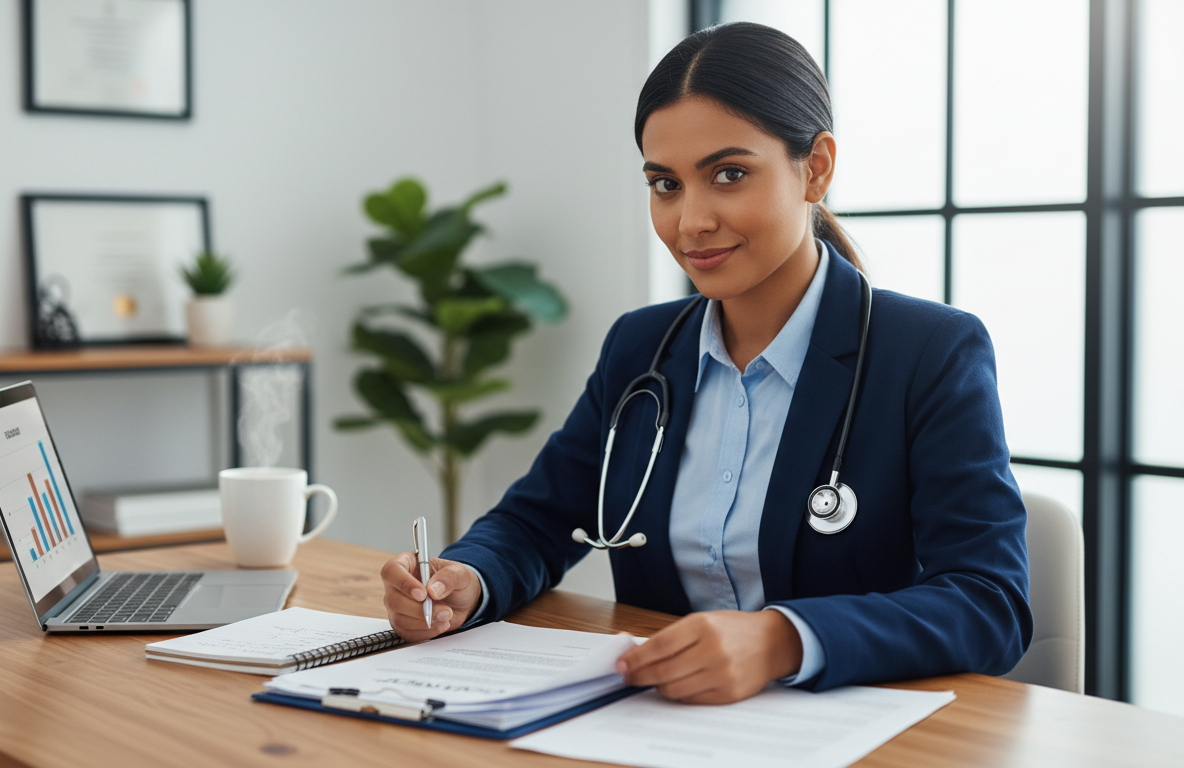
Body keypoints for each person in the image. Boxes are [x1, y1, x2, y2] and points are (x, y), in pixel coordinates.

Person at [380, 22, 1031, 704]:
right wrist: (467, 580)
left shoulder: (928, 353)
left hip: (850, 730)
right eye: (665, 185)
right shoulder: (641, 350)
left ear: (816, 168)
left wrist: (784, 638)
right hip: (664, 722)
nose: (691, 221)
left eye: (729, 175)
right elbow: (535, 523)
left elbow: (989, 601)